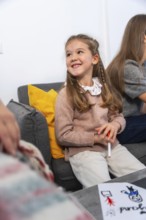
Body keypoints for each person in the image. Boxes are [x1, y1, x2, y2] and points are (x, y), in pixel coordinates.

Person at [55, 34, 145, 188]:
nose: (73, 57)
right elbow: (63, 135)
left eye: (79, 52)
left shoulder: (103, 88)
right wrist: (96, 138)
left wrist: (114, 126)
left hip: (112, 147)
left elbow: (118, 117)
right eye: (68, 54)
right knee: (104, 190)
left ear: (94, 59)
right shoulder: (66, 94)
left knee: (142, 177)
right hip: (84, 152)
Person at [106, 14, 146, 144]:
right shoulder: (127, 67)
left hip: (133, 119)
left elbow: (142, 108)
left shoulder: (142, 66)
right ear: (144, 37)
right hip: (118, 125)